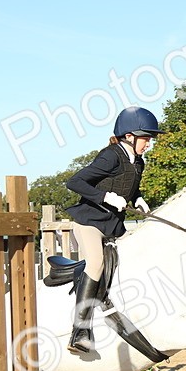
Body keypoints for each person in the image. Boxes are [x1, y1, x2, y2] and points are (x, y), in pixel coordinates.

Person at [63, 105, 158, 353]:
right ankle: (80, 331)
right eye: (146, 138)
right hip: (90, 222)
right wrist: (104, 196)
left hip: (114, 225)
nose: (148, 143)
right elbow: (74, 182)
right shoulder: (110, 156)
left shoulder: (138, 162)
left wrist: (137, 197)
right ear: (129, 136)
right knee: (95, 264)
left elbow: (129, 185)